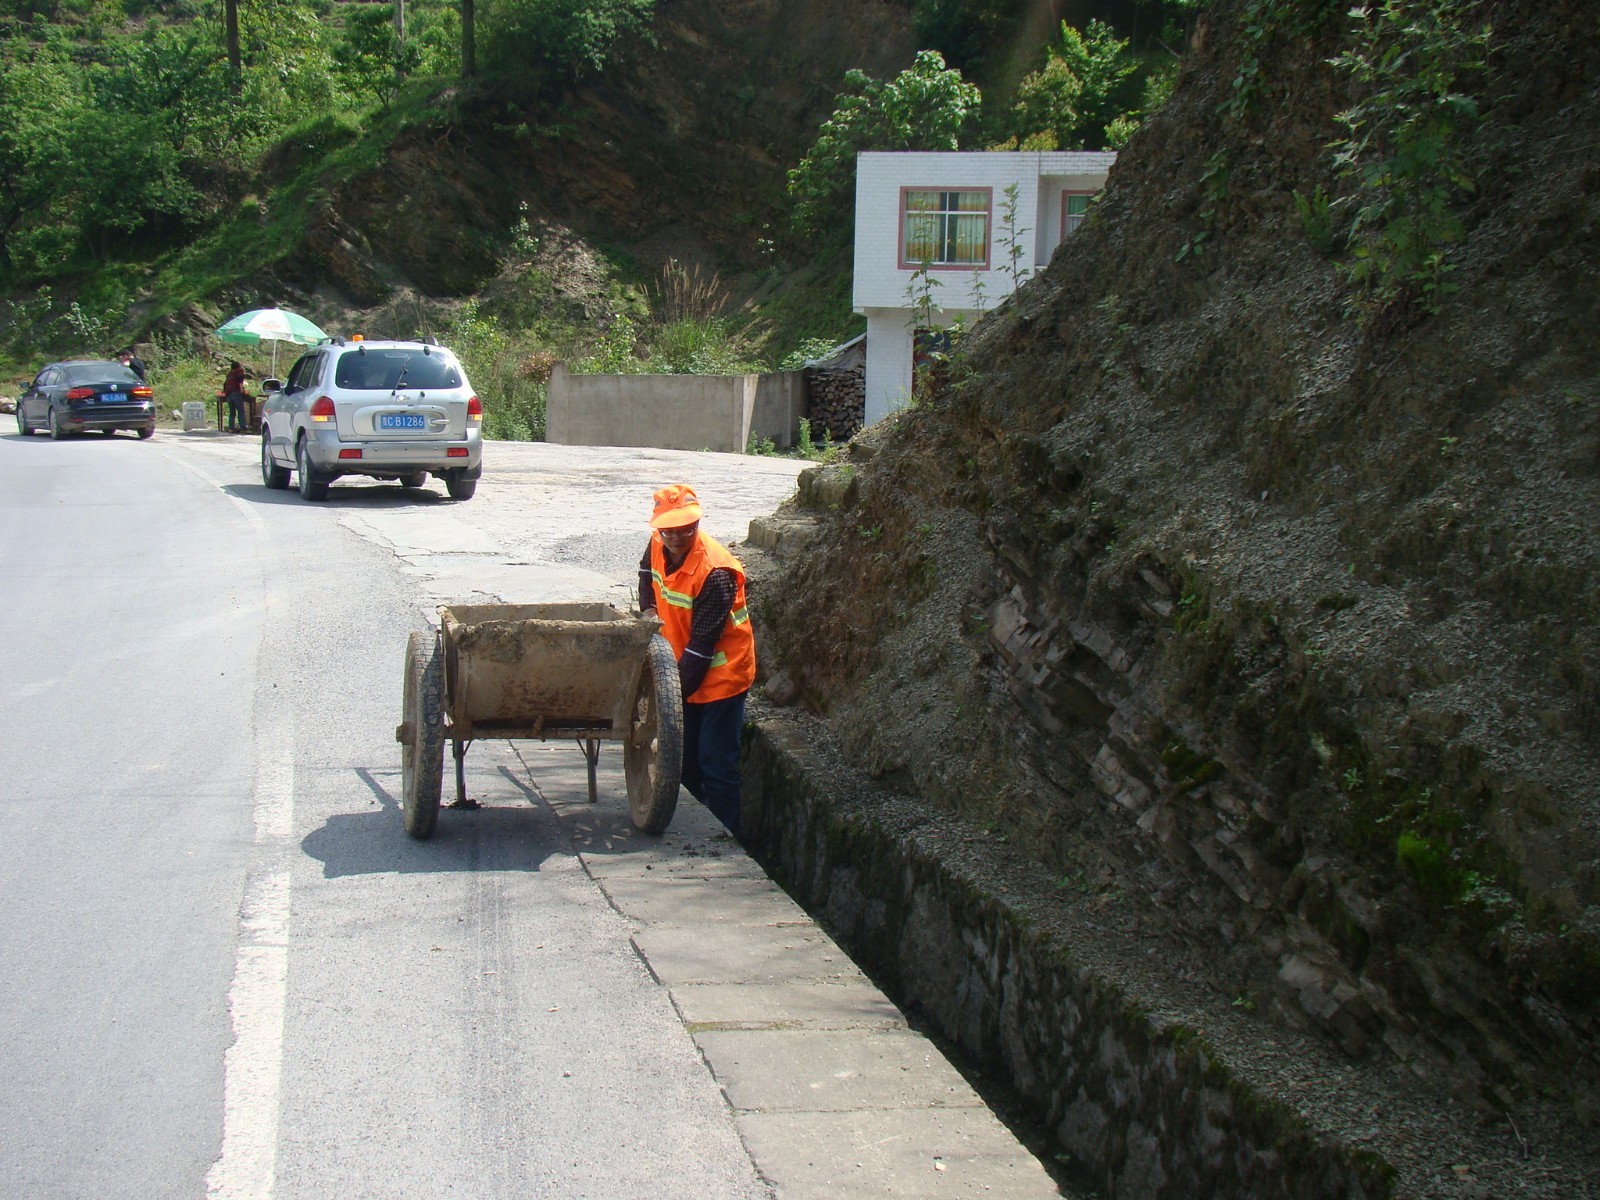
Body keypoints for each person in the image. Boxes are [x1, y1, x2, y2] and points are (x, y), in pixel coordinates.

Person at [638, 484, 756, 835]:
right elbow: (647, 574)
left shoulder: (716, 572)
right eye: (669, 529)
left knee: (715, 763)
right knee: (682, 758)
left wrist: (668, 698)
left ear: (698, 523)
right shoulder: (658, 543)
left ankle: (725, 839)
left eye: (685, 528)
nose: (676, 536)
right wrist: (647, 611)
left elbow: (702, 648)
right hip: (682, 666)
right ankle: (687, 824)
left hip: (722, 676)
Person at [222, 360, 250, 433]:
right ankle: (243, 429)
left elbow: (225, 384)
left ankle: (231, 428)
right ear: (238, 366)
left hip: (228, 394)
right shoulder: (239, 372)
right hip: (236, 393)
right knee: (241, 411)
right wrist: (242, 391)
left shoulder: (229, 374)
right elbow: (240, 382)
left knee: (232, 412)